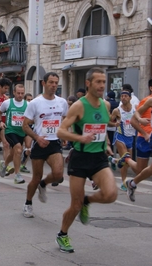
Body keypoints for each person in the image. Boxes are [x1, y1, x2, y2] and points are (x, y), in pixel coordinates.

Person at [55, 67, 117, 253]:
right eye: (98, 82)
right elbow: (61, 130)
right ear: (88, 83)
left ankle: (87, 201)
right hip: (80, 159)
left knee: (111, 194)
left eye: (104, 82)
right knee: (75, 205)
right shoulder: (79, 106)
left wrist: (106, 144)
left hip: (98, 158)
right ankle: (63, 234)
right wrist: (80, 138)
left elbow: (101, 128)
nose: (101, 86)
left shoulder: (105, 105)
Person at [22, 72, 68, 218]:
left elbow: (65, 119)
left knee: (58, 174)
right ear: (44, 83)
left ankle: (44, 184)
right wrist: (37, 137)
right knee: (36, 177)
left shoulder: (62, 102)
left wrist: (65, 132)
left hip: (54, 142)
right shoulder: (35, 103)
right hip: (39, 142)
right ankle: (28, 203)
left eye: (56, 83)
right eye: (51, 82)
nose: (54, 85)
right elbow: (25, 126)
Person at [0, 84, 27, 184]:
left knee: (14, 152)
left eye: (22, 93)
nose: (20, 95)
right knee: (18, 149)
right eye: (18, 93)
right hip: (10, 130)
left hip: (21, 132)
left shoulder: (27, 104)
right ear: (14, 92)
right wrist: (0, 121)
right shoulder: (7, 103)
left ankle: (5, 164)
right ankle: (17, 175)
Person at [109, 91, 135, 191]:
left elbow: (138, 119)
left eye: (125, 96)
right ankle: (124, 182)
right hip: (120, 136)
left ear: (130, 98)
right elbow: (110, 121)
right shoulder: (117, 110)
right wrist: (115, 123)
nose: (123, 98)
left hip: (130, 137)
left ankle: (114, 160)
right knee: (125, 159)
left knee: (128, 162)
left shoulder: (134, 109)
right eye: (122, 96)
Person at [20, 93, 34, 173]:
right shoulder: (22, 107)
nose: (30, 101)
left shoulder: (33, 107)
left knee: (29, 148)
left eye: (31, 99)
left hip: (29, 129)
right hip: (20, 129)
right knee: (19, 149)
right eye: (28, 99)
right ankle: (16, 164)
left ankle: (23, 165)